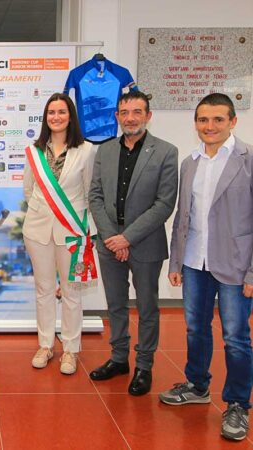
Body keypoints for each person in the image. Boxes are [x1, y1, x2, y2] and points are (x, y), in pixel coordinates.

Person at [159, 93, 253, 441]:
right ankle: (197, 385)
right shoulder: (190, 163)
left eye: (217, 119)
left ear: (233, 121)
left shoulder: (248, 160)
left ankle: (238, 404)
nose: (209, 126)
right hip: (194, 261)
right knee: (195, 328)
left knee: (236, 338)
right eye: (202, 120)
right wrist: (176, 260)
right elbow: (183, 216)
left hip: (235, 265)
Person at [88, 90, 178, 395]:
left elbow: (164, 204)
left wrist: (127, 237)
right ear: (117, 116)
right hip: (109, 241)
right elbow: (95, 196)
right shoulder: (105, 151)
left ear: (148, 116)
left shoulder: (166, 152)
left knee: (147, 306)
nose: (130, 118)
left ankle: (144, 365)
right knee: (115, 304)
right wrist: (112, 238)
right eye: (124, 112)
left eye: (137, 112)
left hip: (146, 242)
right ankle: (118, 358)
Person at [22, 93, 96, 375]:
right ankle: (45, 345)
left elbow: (89, 192)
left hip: (72, 231)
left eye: (61, 112)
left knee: (71, 291)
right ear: (45, 117)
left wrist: (85, 229)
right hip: (37, 230)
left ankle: (70, 349)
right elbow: (29, 190)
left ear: (70, 116)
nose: (56, 117)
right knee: (43, 290)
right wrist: (45, 211)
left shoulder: (86, 150)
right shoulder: (34, 151)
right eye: (51, 112)